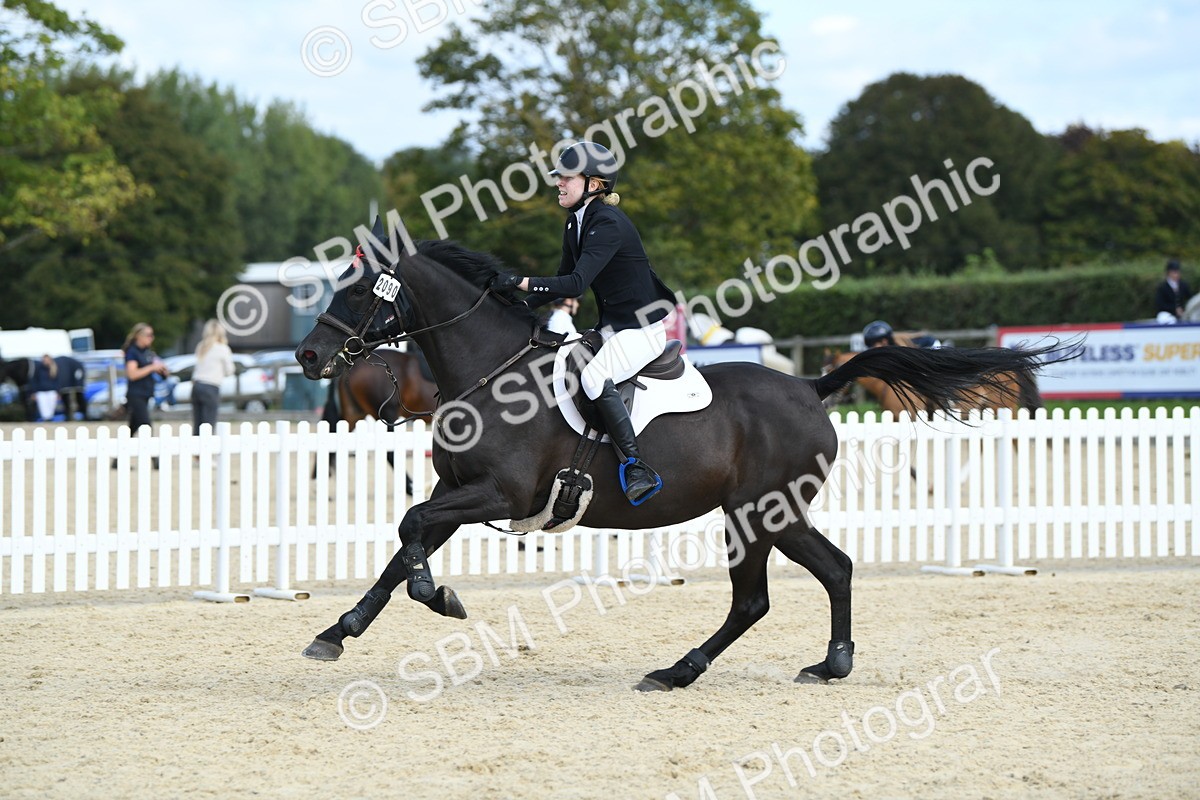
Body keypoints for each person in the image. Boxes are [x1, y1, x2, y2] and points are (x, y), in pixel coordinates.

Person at [491, 141, 676, 505]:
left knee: (593, 377)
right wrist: (516, 307)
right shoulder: (577, 221)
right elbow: (559, 278)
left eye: (566, 177)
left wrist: (516, 281)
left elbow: (576, 284)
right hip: (613, 327)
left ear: (593, 183)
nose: (558, 182)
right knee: (563, 362)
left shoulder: (606, 222)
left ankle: (636, 465)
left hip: (641, 330)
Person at [122, 322, 169, 434]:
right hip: (136, 394)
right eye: (148, 335)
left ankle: (122, 447)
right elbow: (132, 374)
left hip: (146, 393)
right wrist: (152, 367)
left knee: (132, 427)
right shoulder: (132, 352)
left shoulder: (148, 352)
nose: (151, 338)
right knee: (146, 426)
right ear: (139, 336)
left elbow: (155, 369)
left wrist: (162, 371)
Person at [191, 319, 234, 434]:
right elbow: (230, 370)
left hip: (197, 385)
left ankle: (196, 450)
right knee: (208, 422)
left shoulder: (201, 346)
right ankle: (206, 448)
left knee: (198, 422)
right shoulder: (223, 348)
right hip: (211, 386)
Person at [29, 354, 60, 422]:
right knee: (43, 409)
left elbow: (57, 381)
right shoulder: (38, 369)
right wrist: (33, 392)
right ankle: (46, 421)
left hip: (51, 391)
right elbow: (34, 381)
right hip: (41, 392)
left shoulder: (54, 369)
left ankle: (50, 420)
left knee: (51, 409)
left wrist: (58, 392)